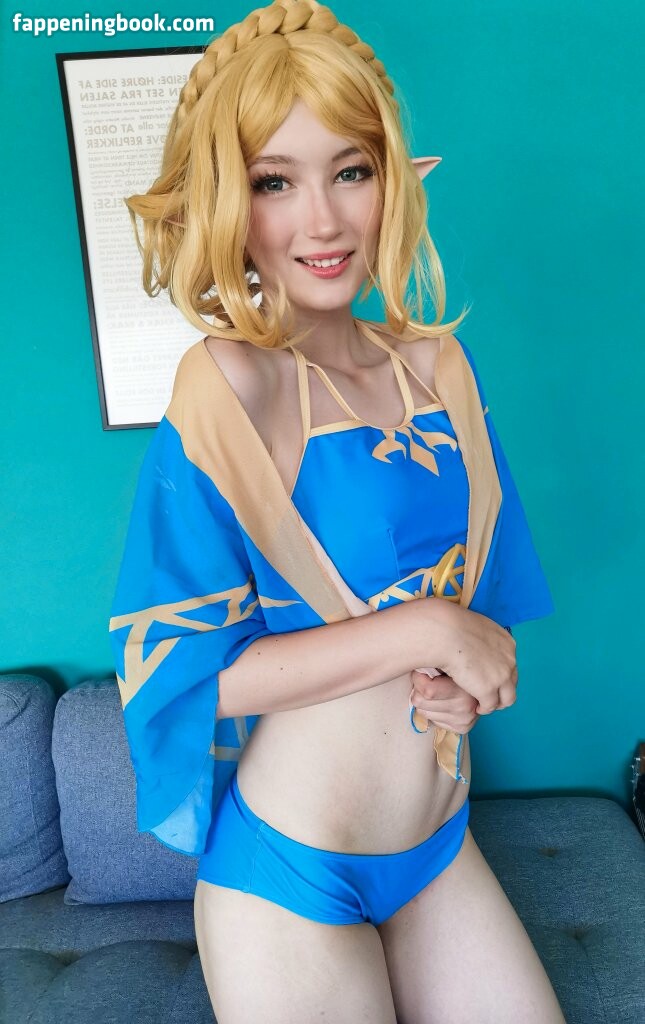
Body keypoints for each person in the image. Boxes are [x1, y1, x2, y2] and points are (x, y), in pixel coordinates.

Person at [109, 1, 566, 1020]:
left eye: (350, 170)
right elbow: (184, 673)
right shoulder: (227, 382)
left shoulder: (439, 364)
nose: (322, 221)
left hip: (438, 846)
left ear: (389, 180)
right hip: (289, 871)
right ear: (230, 204)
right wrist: (425, 630)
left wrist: (465, 675)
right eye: (275, 181)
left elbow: (477, 613)